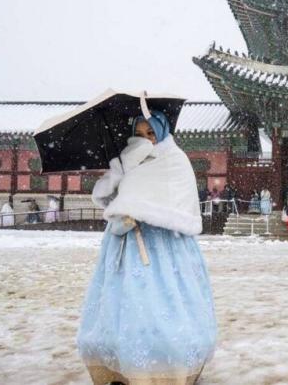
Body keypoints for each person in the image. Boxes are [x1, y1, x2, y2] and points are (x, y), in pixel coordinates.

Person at [78, 110, 216, 383]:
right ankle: (119, 364)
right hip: (126, 248)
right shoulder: (130, 162)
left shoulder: (174, 161)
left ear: (163, 132)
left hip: (165, 249)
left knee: (162, 305)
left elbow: (172, 201)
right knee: (123, 302)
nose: (145, 139)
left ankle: (164, 367)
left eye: (150, 133)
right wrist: (122, 169)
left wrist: (134, 207)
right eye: (139, 134)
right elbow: (107, 198)